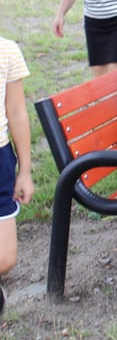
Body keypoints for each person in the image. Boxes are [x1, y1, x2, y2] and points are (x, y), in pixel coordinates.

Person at [0, 37, 34, 315]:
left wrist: (25, 170)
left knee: (5, 259)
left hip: (1, 158)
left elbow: (17, 112)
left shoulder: (7, 50)